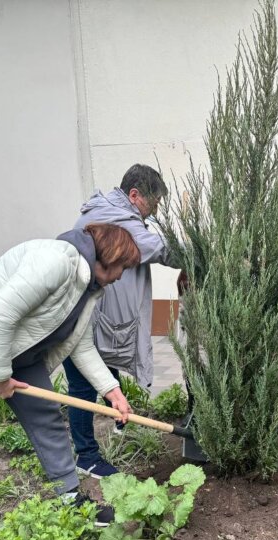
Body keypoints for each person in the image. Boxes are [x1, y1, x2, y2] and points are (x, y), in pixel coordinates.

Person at [0, 224, 139, 540]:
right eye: (123, 267)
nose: (121, 276)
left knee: (47, 420)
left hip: (15, 349)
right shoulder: (55, 261)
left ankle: (70, 498)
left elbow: (79, 344)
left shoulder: (89, 288)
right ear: (109, 257)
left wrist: (111, 390)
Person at [64, 165, 180, 478]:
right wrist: (200, 253)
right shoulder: (115, 217)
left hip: (97, 313)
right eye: (152, 205)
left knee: (104, 362)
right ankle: (85, 455)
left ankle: (119, 419)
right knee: (81, 386)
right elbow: (158, 250)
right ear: (134, 195)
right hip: (80, 317)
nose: (152, 213)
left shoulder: (110, 210)